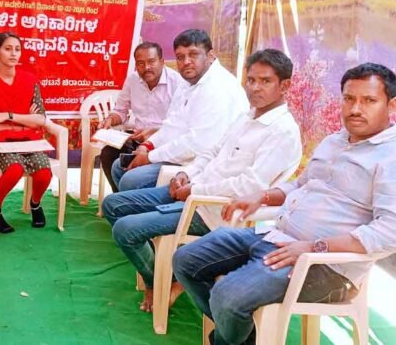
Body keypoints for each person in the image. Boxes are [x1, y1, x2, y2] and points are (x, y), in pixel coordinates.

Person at [173, 62, 396, 345]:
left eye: (369, 101)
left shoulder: (390, 157)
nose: (355, 109)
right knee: (185, 259)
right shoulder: (335, 141)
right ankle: (243, 336)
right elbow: (301, 185)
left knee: (227, 295)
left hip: (326, 266)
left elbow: (390, 232)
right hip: (277, 237)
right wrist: (263, 196)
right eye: (349, 99)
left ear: (391, 105)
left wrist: (314, 248)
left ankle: (228, 337)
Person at [103, 49, 302, 313]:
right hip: (193, 191)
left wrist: (194, 189)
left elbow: (249, 186)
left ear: (284, 86)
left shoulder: (282, 131)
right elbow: (211, 152)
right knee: (112, 204)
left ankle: (162, 281)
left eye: (265, 81)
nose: (254, 88)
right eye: (251, 80)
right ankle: (163, 276)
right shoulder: (247, 116)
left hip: (215, 209)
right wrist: (187, 174)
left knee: (125, 229)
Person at [111, 29, 249, 192]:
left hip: (202, 165)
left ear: (211, 56)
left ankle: (156, 212)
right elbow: (173, 124)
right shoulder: (189, 81)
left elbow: (196, 144)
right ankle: (133, 209)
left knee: (131, 180)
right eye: (180, 57)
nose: (186, 62)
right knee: (118, 166)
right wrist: (148, 146)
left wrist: (149, 157)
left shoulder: (217, 87)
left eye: (193, 55)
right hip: (182, 154)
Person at [0, 31, 52, 234]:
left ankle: (35, 203)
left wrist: (7, 116)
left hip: (29, 140)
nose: (13, 54)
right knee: (14, 168)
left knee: (44, 171)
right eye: (7, 49)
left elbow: (40, 120)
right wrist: (25, 123)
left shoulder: (30, 80)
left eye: (17, 49)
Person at [97, 41, 183, 193]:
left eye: (151, 62)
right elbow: (121, 111)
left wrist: (154, 134)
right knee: (108, 153)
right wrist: (110, 120)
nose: (146, 68)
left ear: (162, 61)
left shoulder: (178, 83)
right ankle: (120, 197)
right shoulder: (133, 80)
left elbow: (180, 123)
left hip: (163, 142)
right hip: (137, 138)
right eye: (141, 64)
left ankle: (133, 200)